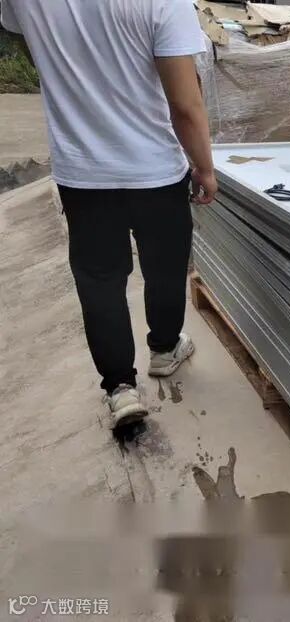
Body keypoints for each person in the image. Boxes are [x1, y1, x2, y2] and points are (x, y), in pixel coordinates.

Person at [1, 0, 217, 428]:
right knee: (165, 267)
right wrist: (205, 168)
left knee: (99, 280)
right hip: (155, 169)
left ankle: (120, 389)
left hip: (83, 172)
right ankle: (164, 349)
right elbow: (185, 105)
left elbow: (28, 42)